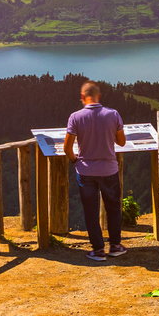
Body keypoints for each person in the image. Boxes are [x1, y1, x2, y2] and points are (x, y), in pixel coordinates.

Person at [63, 80, 127, 261]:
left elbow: (67, 148)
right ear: (99, 96)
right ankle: (115, 246)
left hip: (85, 171)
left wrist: (75, 161)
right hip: (109, 170)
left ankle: (98, 250)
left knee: (91, 211)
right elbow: (121, 142)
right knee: (113, 208)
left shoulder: (75, 117)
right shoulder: (113, 114)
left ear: (83, 97)